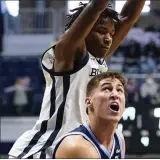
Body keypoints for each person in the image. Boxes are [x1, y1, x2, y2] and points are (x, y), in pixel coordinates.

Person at [9, 0, 146, 158]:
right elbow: (95, 7)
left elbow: (127, 18)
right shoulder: (67, 54)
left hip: (81, 145)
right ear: (84, 30)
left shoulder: (96, 60)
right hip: (46, 149)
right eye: (101, 31)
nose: (108, 39)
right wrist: (91, 12)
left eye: (111, 33)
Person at [54, 72, 127, 159]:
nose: (115, 95)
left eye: (119, 90)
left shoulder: (119, 138)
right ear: (89, 102)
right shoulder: (75, 146)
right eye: (107, 89)